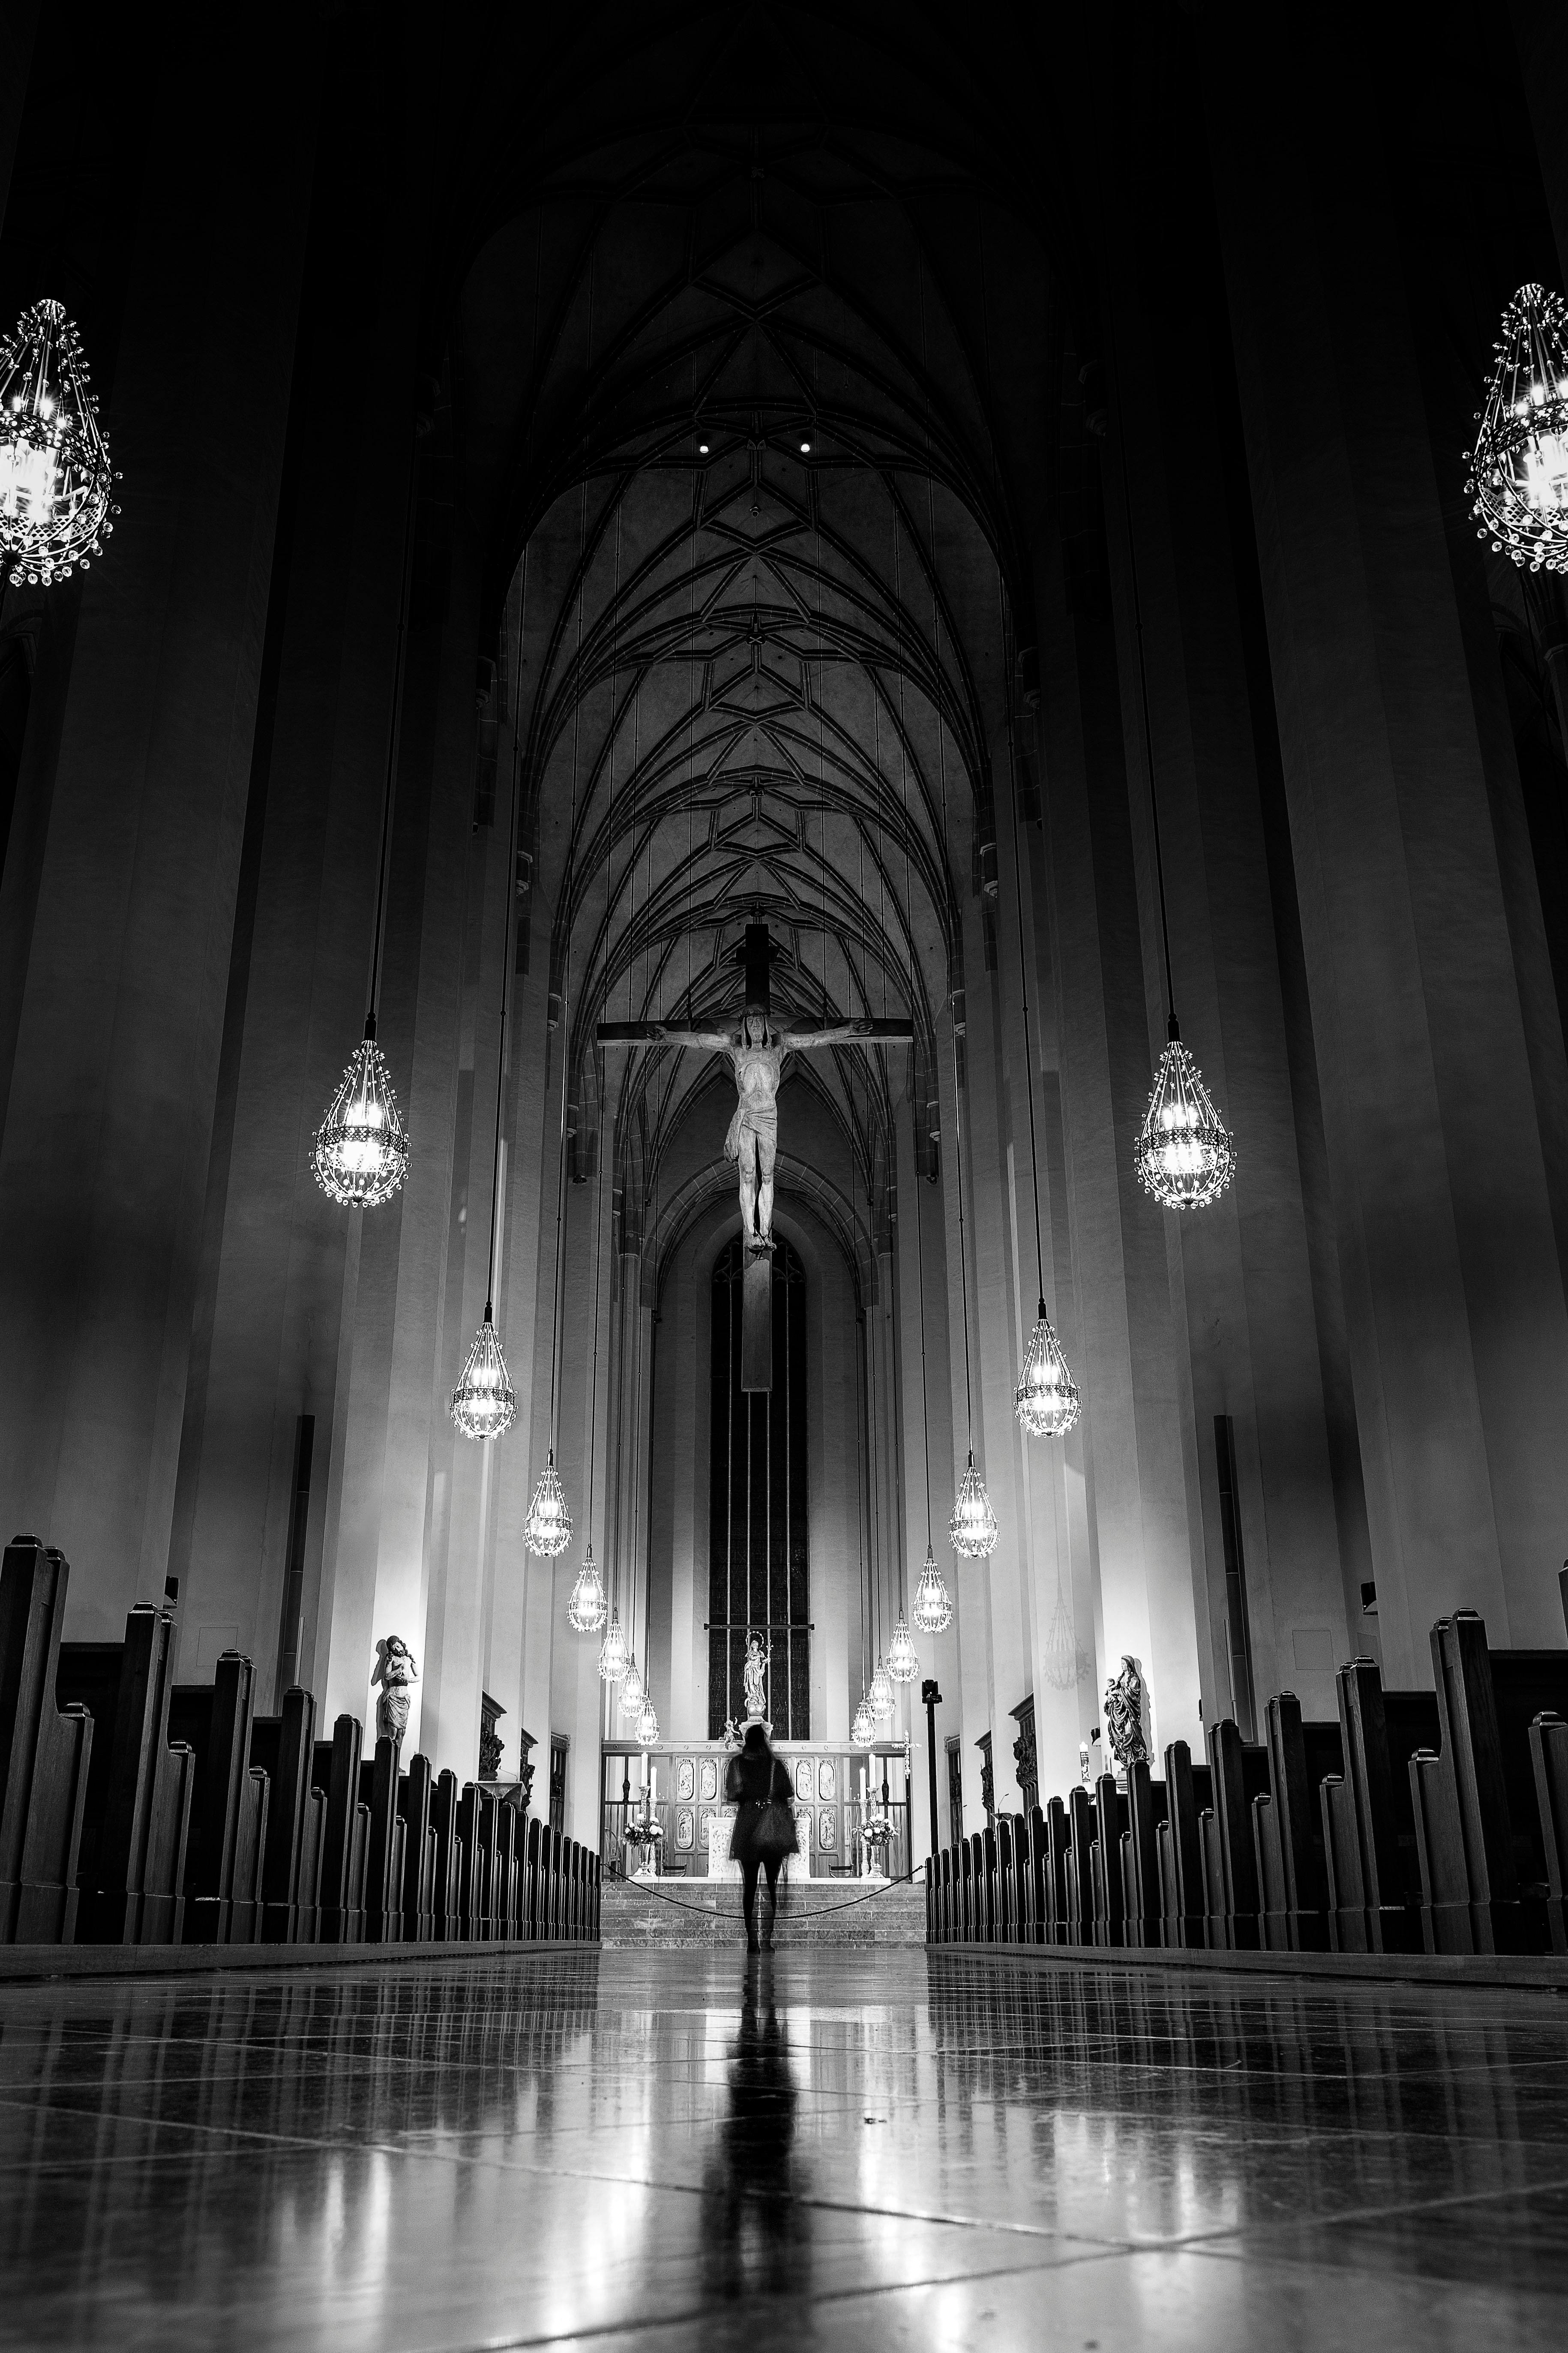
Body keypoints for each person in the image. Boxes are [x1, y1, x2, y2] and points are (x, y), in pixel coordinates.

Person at [724, 1722, 798, 1953]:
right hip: (772, 1831)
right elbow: (789, 1793)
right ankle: (767, 1938)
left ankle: (752, 1941)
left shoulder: (737, 1764)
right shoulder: (775, 1765)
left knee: (750, 1887)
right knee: (772, 1887)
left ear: (747, 1740)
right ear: (765, 1741)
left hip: (748, 1828)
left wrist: (750, 1798)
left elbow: (732, 1794)